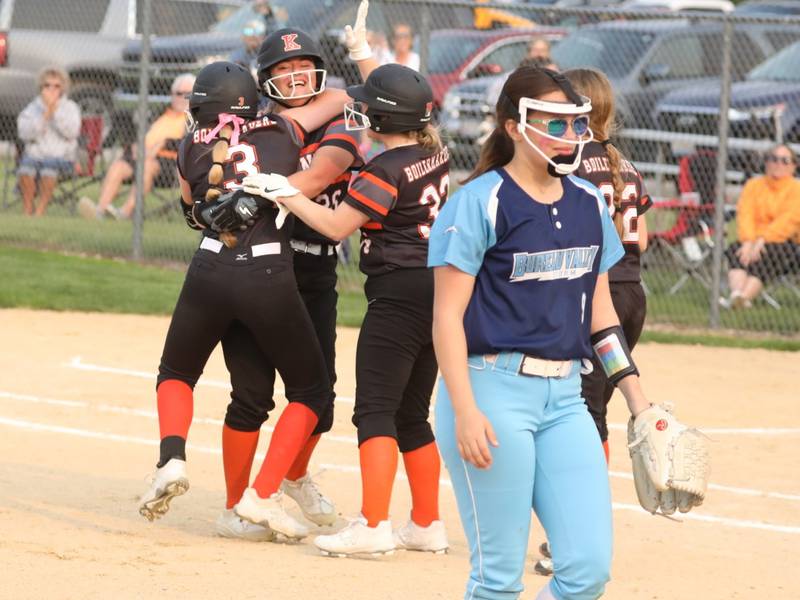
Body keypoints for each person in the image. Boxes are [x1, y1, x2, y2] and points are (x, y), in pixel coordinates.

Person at [427, 66, 693, 600]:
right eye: (554, 124)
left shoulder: (588, 203)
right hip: (490, 392)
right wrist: (465, 408)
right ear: (512, 127)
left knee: (587, 569)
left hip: (567, 398)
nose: (570, 136)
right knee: (497, 579)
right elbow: (446, 318)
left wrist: (639, 403)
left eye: (576, 125)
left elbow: (601, 318)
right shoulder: (480, 200)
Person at [137, 61, 351, 545]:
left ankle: (172, 457)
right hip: (268, 271)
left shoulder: (191, 145)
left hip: (209, 267)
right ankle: (263, 492)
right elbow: (337, 101)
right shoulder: (280, 127)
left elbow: (193, 209)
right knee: (312, 392)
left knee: (176, 373)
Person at [243, 63, 450, 557]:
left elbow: (336, 227)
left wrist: (286, 192)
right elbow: (397, 94)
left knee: (376, 410)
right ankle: (425, 523)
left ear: (384, 116)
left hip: (397, 293)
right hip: (436, 288)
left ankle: (374, 524)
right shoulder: (433, 152)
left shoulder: (384, 169)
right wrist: (365, 58)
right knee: (412, 415)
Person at [210, 26, 365, 537]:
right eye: (281, 69)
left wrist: (255, 191)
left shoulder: (340, 122)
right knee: (250, 393)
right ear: (265, 80)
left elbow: (321, 175)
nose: (294, 75)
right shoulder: (256, 126)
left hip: (314, 266)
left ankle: (290, 476)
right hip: (256, 264)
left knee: (319, 396)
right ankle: (238, 506)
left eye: (302, 65)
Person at [531, 66, 652, 577]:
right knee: (592, 405)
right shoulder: (626, 164)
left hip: (588, 293)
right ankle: (576, 526)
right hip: (631, 293)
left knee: (580, 416)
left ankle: (576, 532)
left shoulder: (571, 162)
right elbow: (640, 239)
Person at [78, 73, 195, 220]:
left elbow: (192, 143)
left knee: (147, 165)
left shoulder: (195, 117)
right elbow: (140, 133)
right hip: (142, 156)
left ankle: (124, 213)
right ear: (172, 94)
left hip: (170, 165)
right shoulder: (160, 113)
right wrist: (135, 146)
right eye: (179, 93)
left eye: (188, 94)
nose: (183, 97)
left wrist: (163, 144)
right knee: (118, 166)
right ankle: (99, 211)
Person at [721, 144, 800, 309]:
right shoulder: (753, 185)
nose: (778, 164)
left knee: (766, 255)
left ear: (794, 165)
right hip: (752, 240)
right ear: (766, 163)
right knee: (737, 250)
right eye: (774, 159)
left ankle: (743, 297)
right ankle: (737, 296)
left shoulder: (796, 189)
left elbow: (789, 220)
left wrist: (763, 239)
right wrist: (748, 241)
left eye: (785, 160)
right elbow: (745, 214)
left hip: (785, 242)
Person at [16, 67, 81, 216]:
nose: (52, 90)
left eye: (57, 86)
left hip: (62, 157)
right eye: (47, 85)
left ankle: (40, 211)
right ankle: (27, 209)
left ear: (63, 88)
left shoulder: (71, 108)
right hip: (36, 155)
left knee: (49, 168)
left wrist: (55, 112)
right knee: (26, 168)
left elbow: (72, 132)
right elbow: (24, 133)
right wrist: (45, 116)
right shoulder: (32, 108)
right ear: (41, 88)